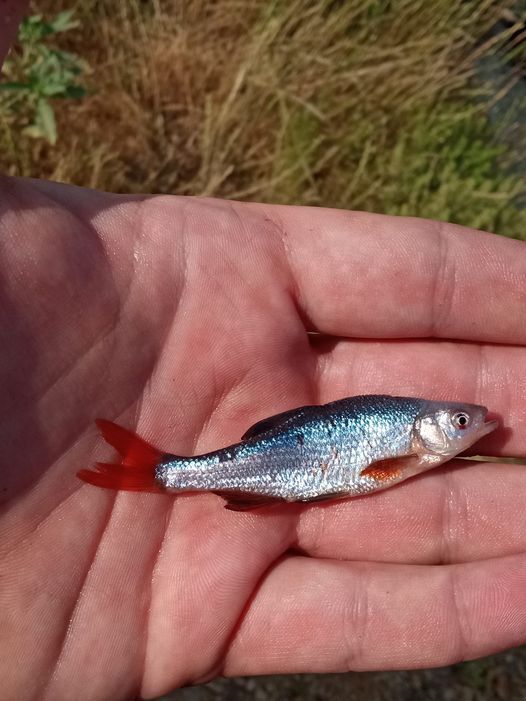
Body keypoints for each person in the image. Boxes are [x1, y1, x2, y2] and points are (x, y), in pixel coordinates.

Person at [1, 4, 526, 700]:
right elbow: (374, 470)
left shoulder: (409, 434)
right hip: (286, 460)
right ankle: (164, 471)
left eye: (462, 422)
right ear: (429, 428)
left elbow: (368, 470)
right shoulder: (408, 441)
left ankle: (163, 471)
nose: (470, 424)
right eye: (458, 422)